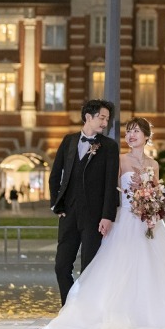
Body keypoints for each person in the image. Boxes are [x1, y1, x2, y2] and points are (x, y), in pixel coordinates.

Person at [37, 117, 165, 329]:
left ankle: (152, 314)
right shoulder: (119, 160)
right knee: (118, 268)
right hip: (124, 220)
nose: (131, 135)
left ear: (147, 136)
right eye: (128, 132)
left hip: (146, 222)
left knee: (153, 270)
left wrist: (154, 212)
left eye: (136, 131)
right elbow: (109, 189)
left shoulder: (153, 164)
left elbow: (156, 192)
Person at [48, 99, 120, 306]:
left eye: (107, 119)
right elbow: (55, 176)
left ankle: (88, 313)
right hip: (69, 214)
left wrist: (108, 216)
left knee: (90, 269)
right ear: (88, 117)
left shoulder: (109, 147)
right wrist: (56, 204)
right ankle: (70, 310)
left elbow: (110, 184)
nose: (105, 122)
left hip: (94, 217)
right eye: (102, 117)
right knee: (61, 266)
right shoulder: (68, 141)